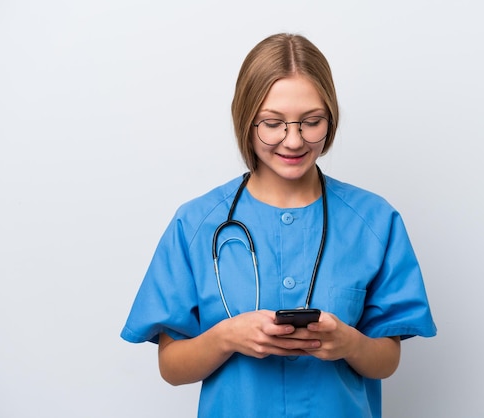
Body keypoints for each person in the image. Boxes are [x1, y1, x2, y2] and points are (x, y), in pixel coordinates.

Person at [121, 33, 436, 418]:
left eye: (311, 122)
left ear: (331, 117)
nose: (293, 141)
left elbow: (386, 360)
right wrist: (227, 337)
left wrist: (348, 343)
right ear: (246, 119)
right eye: (272, 123)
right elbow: (171, 367)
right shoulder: (196, 223)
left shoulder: (374, 221)